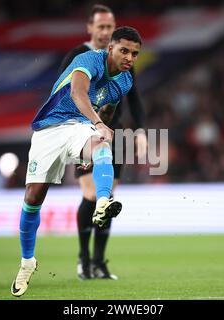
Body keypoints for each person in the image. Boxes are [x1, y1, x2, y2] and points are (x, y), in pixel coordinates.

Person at [11, 26, 143, 297]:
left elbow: (108, 108)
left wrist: (92, 146)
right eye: (124, 50)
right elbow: (78, 94)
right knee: (33, 197)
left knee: (102, 144)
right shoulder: (87, 60)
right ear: (110, 49)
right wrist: (99, 123)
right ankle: (27, 263)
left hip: (80, 127)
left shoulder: (126, 80)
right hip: (50, 128)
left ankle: (103, 202)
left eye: (135, 53)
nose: (129, 57)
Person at [59, 4, 147, 281]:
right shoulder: (79, 56)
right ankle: (84, 259)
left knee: (107, 198)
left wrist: (141, 130)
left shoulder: (123, 59)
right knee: (91, 195)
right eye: (101, 27)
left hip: (116, 133)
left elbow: (135, 98)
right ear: (90, 28)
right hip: (85, 134)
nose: (105, 31)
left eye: (110, 27)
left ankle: (99, 261)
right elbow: (63, 90)